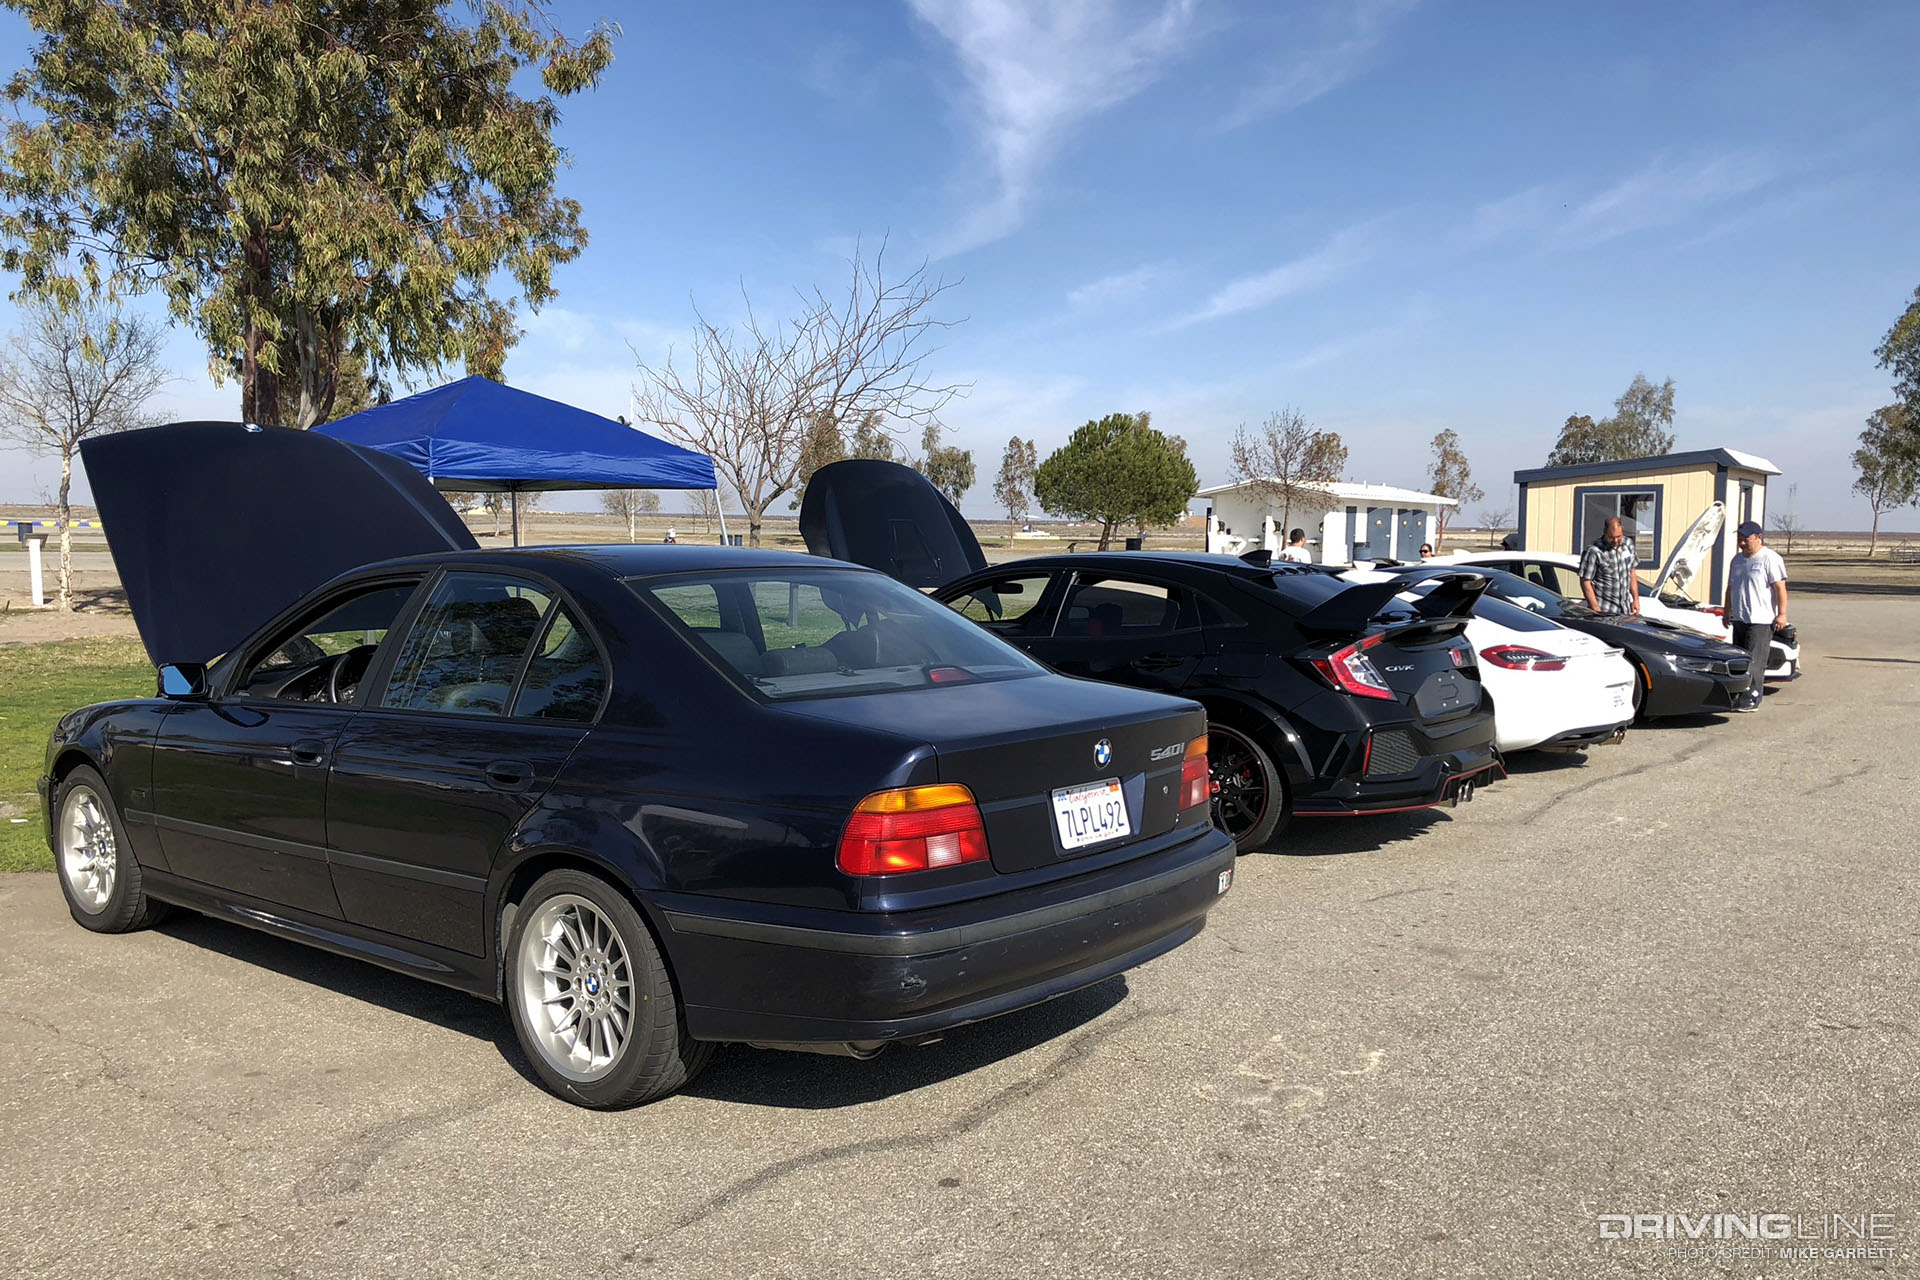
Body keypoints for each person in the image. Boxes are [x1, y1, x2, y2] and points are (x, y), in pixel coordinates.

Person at [1723, 519, 1787, 712]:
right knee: (1740, 659)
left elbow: (1780, 589)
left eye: (1746, 538)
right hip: (1740, 618)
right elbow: (1730, 587)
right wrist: (1727, 611)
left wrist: (1782, 614)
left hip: (1761, 619)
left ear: (1758, 537)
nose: (1742, 542)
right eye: (1739, 538)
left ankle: (1752, 698)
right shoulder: (1737, 560)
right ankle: (1738, 695)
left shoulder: (1769, 558)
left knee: (1755, 661)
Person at [1579, 516, 1641, 617]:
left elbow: (1632, 572)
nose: (1615, 540)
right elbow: (1585, 582)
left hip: (1625, 610)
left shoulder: (1628, 544)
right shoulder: (1594, 551)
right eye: (1611, 537)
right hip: (1605, 610)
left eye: (1618, 536)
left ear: (1622, 530)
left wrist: (1636, 599)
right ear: (1604, 532)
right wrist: (1596, 609)